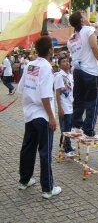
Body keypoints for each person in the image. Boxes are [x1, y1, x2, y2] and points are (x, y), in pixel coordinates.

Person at [18, 36, 61, 199]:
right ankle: (48, 188)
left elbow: (21, 88)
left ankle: (24, 180)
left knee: (27, 148)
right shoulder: (46, 67)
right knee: (45, 152)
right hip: (42, 116)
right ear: (50, 50)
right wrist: (51, 117)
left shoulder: (30, 64)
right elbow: (44, 95)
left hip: (29, 114)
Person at [67, 11, 98, 141]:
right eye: (84, 15)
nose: (87, 17)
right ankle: (89, 131)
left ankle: (76, 126)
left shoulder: (72, 37)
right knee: (93, 102)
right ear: (82, 20)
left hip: (77, 71)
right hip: (90, 71)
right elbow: (94, 47)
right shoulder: (89, 29)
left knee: (79, 99)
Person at [54, 55, 76, 157]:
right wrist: (60, 108)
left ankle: (63, 144)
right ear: (59, 65)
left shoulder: (70, 75)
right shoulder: (59, 76)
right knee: (66, 129)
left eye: (67, 61)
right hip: (64, 106)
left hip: (70, 104)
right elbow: (57, 93)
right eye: (63, 61)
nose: (66, 63)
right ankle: (67, 149)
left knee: (69, 127)